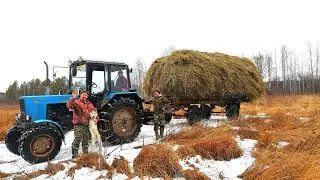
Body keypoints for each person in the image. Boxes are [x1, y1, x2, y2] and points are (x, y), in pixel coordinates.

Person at [66, 90, 98, 158]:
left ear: (87, 96)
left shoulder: (89, 104)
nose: (84, 96)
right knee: (77, 140)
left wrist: (96, 119)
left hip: (87, 125)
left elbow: (94, 112)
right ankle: (75, 156)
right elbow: (68, 105)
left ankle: (85, 156)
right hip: (79, 125)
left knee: (86, 141)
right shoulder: (76, 102)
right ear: (80, 95)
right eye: (83, 94)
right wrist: (73, 98)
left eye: (86, 95)